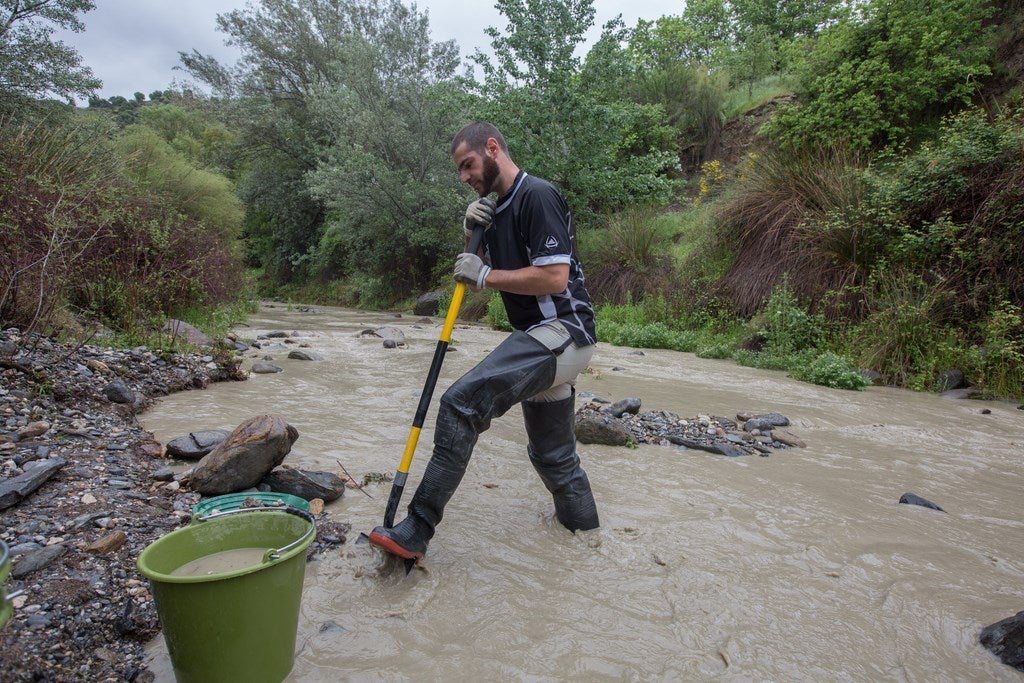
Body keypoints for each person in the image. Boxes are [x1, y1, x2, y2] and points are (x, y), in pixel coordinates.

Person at [368, 121, 600, 562]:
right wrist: (470, 233)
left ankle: (416, 529)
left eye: (468, 165)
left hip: (564, 330)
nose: (464, 177)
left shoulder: (538, 195)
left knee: (461, 404)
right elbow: (472, 269)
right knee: (553, 459)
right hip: (541, 339)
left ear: (493, 148)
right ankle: (588, 547)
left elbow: (554, 277)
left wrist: (485, 275)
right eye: (459, 170)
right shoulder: (494, 211)